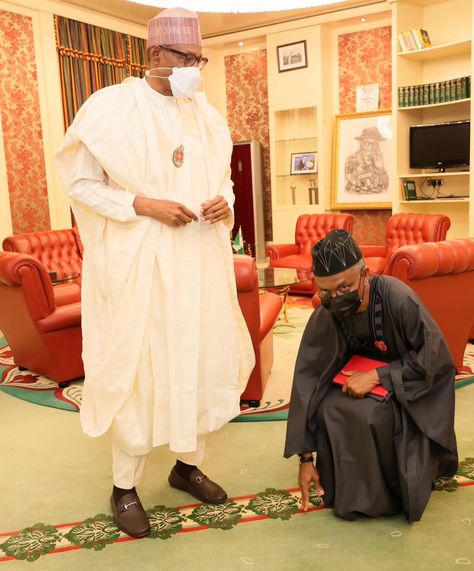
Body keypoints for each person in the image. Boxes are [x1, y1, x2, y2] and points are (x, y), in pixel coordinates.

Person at [55, 7, 254, 538]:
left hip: (196, 264)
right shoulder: (111, 107)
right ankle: (125, 486)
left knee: (197, 361)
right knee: (139, 371)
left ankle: (186, 465)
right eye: (185, 57)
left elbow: (225, 182)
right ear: (155, 55)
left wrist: (222, 203)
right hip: (138, 265)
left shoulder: (206, 115)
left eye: (200, 57)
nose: (195, 66)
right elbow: (80, 184)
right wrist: (144, 204)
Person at [284, 229, 458, 523]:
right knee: (330, 406)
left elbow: (437, 359)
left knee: (370, 415)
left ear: (364, 274)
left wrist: (381, 375)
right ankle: (345, 489)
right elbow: (307, 380)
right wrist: (305, 458)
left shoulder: (399, 299)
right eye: (324, 291)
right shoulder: (328, 311)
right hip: (355, 380)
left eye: (342, 289)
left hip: (407, 387)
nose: (334, 298)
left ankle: (387, 495)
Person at [344, 126, 389, 194]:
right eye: (366, 143)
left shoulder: (377, 160)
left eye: (374, 144)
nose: (370, 147)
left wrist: (380, 169)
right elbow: (348, 186)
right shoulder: (351, 160)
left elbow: (386, 187)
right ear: (361, 143)